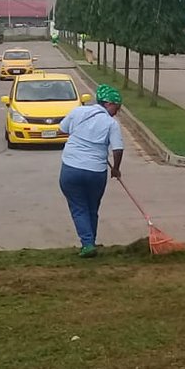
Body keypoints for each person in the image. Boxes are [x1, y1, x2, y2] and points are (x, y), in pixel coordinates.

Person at [56, 84, 124, 258]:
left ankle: (88, 243)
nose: (117, 111)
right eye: (117, 107)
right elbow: (118, 149)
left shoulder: (78, 112)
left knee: (79, 207)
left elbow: (61, 129)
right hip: (96, 171)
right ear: (108, 103)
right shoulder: (111, 123)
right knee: (92, 207)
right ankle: (89, 242)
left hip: (71, 168)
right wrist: (116, 169)